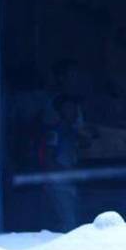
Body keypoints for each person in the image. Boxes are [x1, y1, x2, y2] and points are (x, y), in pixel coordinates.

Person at [41, 94, 91, 231]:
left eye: (75, 108)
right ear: (60, 110)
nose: (72, 111)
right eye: (68, 108)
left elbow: (87, 142)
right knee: (68, 223)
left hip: (69, 183)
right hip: (58, 184)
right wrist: (66, 172)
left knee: (72, 220)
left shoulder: (73, 131)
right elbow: (49, 159)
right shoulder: (56, 131)